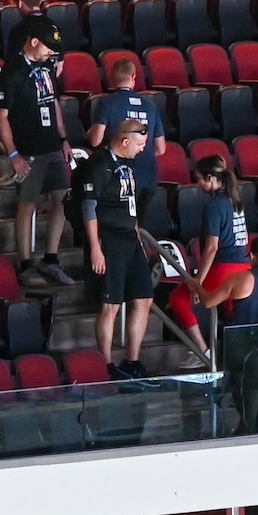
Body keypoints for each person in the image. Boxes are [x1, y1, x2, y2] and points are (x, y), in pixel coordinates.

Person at [0, 22, 75, 289]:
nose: (53, 53)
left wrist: (63, 138)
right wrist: (13, 154)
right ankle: (26, 263)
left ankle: (51, 259)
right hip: (28, 148)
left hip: (52, 144)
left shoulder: (48, 66)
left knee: (62, 198)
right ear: (34, 42)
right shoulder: (13, 71)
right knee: (27, 204)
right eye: (49, 47)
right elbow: (1, 116)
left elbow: (53, 103)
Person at [79, 119, 154, 377]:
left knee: (144, 298)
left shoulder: (128, 163)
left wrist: (137, 238)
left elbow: (130, 203)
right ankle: (107, 363)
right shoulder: (100, 164)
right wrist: (95, 248)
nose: (143, 148)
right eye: (140, 144)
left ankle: (133, 360)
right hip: (108, 239)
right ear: (125, 141)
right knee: (110, 304)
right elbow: (88, 207)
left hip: (129, 237)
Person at [195, 239, 258, 433]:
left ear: (252, 256)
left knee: (243, 402)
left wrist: (196, 285)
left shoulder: (238, 279)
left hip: (238, 347)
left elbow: (208, 302)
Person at [166, 154, 255, 357]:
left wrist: (199, 280)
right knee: (235, 313)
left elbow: (211, 248)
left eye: (199, 179)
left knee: (178, 299)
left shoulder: (214, 205)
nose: (197, 184)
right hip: (243, 265)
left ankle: (203, 353)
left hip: (225, 266)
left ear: (211, 179)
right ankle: (246, 356)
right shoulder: (235, 199)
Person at [85, 56, 168, 225]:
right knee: (139, 227)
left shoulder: (106, 102)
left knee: (119, 228)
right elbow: (160, 148)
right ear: (134, 76)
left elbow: (95, 140)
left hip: (118, 176)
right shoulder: (150, 105)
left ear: (112, 77)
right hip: (148, 175)